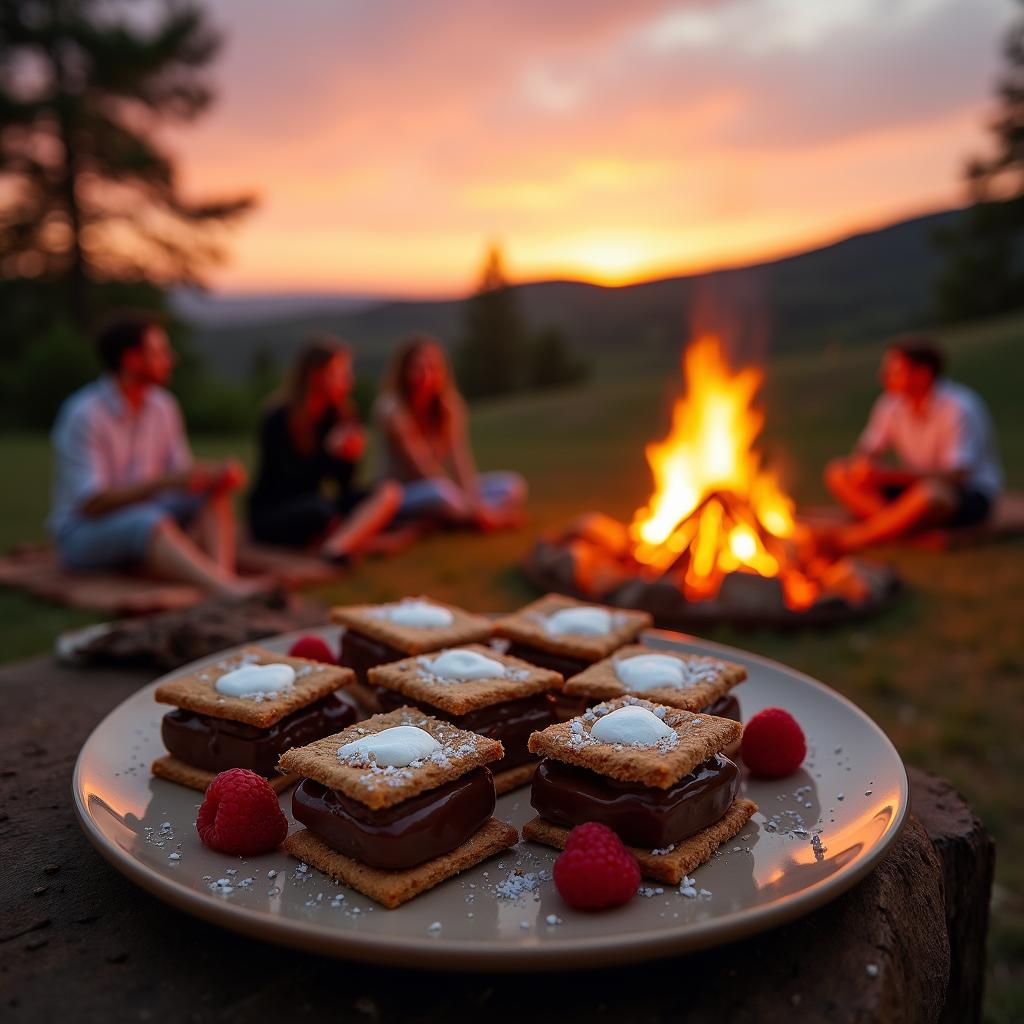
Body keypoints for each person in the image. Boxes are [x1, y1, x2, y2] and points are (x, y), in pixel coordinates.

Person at [50, 311, 258, 597]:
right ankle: (226, 589)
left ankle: (222, 577)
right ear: (131, 359)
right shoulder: (84, 415)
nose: (171, 359)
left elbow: (181, 477)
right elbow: (91, 504)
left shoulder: (163, 406)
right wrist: (163, 482)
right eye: (160, 352)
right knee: (146, 521)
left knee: (210, 493)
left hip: (150, 512)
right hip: (84, 534)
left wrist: (213, 476)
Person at [823, 336, 1003, 552]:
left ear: (922, 374)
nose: (884, 377)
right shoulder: (890, 404)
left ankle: (856, 538)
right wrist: (864, 464)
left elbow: (957, 475)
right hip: (914, 488)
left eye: (894, 371)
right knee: (838, 472)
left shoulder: (958, 407)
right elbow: (868, 448)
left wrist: (888, 475)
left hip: (968, 494)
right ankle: (898, 526)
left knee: (932, 494)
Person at [248, 336, 402, 560]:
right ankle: (349, 540)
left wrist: (350, 457)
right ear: (316, 375)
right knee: (319, 512)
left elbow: (344, 488)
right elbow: (285, 484)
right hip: (274, 512)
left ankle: (335, 548)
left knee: (388, 492)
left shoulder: (341, 416)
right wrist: (326, 453)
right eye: (341, 373)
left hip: (318, 504)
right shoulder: (278, 418)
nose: (349, 380)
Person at [374, 334, 527, 529]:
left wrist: (471, 496)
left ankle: (459, 517)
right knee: (441, 492)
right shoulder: (392, 410)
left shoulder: (449, 407)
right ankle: (486, 518)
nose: (426, 375)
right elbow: (423, 467)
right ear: (404, 371)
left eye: (433, 368)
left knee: (511, 485)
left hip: (443, 486)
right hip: (404, 493)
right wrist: (473, 505)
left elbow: (459, 459)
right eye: (418, 368)